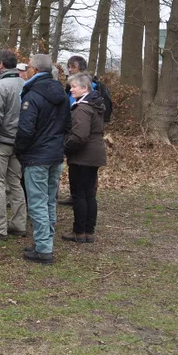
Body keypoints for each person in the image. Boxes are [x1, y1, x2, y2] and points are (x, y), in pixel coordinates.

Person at [14, 54, 71, 265]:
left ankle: (44, 248)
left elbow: (25, 129)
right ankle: (45, 241)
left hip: (37, 156)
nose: (26, 70)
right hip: (55, 155)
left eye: (28, 67)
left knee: (38, 202)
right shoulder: (62, 94)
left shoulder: (32, 96)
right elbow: (67, 126)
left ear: (36, 71)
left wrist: (19, 150)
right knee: (49, 200)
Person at [0, 50, 27, 240]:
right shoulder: (25, 84)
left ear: (0, 65)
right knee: (15, 183)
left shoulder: (0, 86)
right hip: (19, 143)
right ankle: (19, 224)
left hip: (1, 143)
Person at [62, 73, 107, 244]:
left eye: (74, 86)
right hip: (94, 153)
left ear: (85, 88)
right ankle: (89, 231)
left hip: (83, 156)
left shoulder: (82, 108)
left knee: (79, 195)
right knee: (89, 194)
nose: (71, 89)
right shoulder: (96, 104)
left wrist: (65, 148)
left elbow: (79, 136)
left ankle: (79, 231)